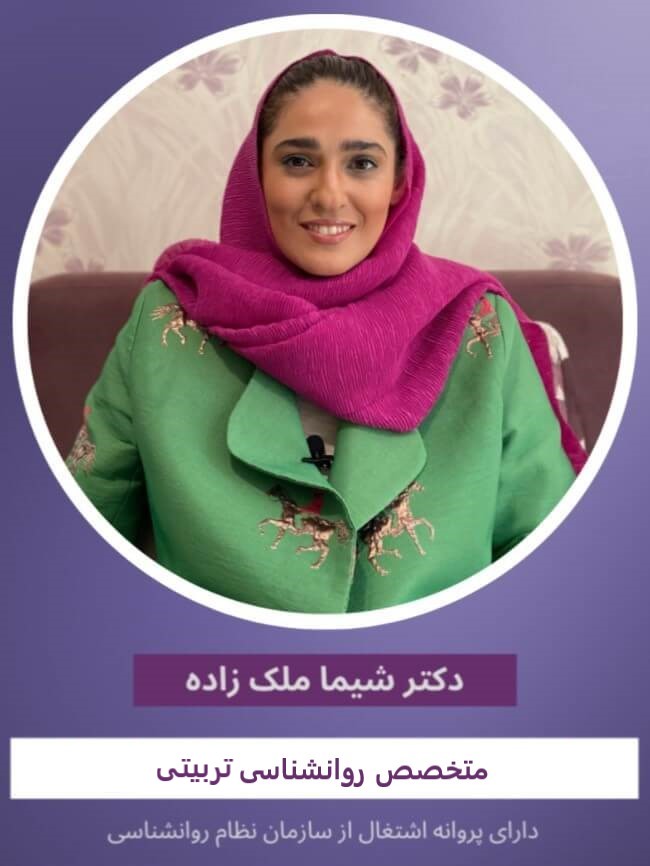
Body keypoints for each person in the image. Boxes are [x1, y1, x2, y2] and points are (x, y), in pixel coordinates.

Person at [66, 51, 584, 614]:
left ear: (399, 181)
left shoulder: (476, 325)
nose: (330, 195)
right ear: (258, 176)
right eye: (297, 161)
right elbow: (81, 536)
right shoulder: (169, 319)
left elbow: (548, 556)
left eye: (361, 163)